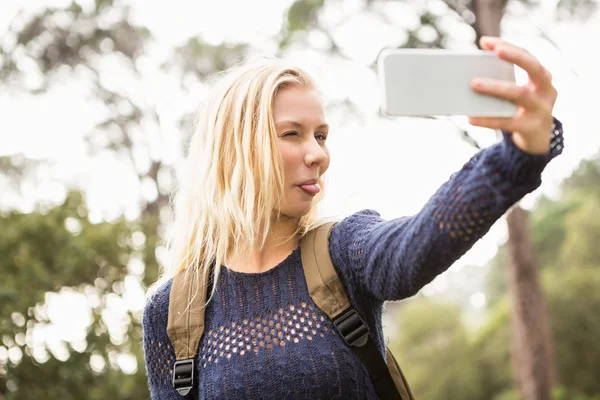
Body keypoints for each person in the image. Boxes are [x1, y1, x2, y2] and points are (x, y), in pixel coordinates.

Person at [142, 36, 563, 399]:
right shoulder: (173, 312)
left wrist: (519, 154)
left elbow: (415, 245)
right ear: (235, 149)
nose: (319, 154)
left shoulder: (341, 252)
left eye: (321, 136)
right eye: (293, 133)